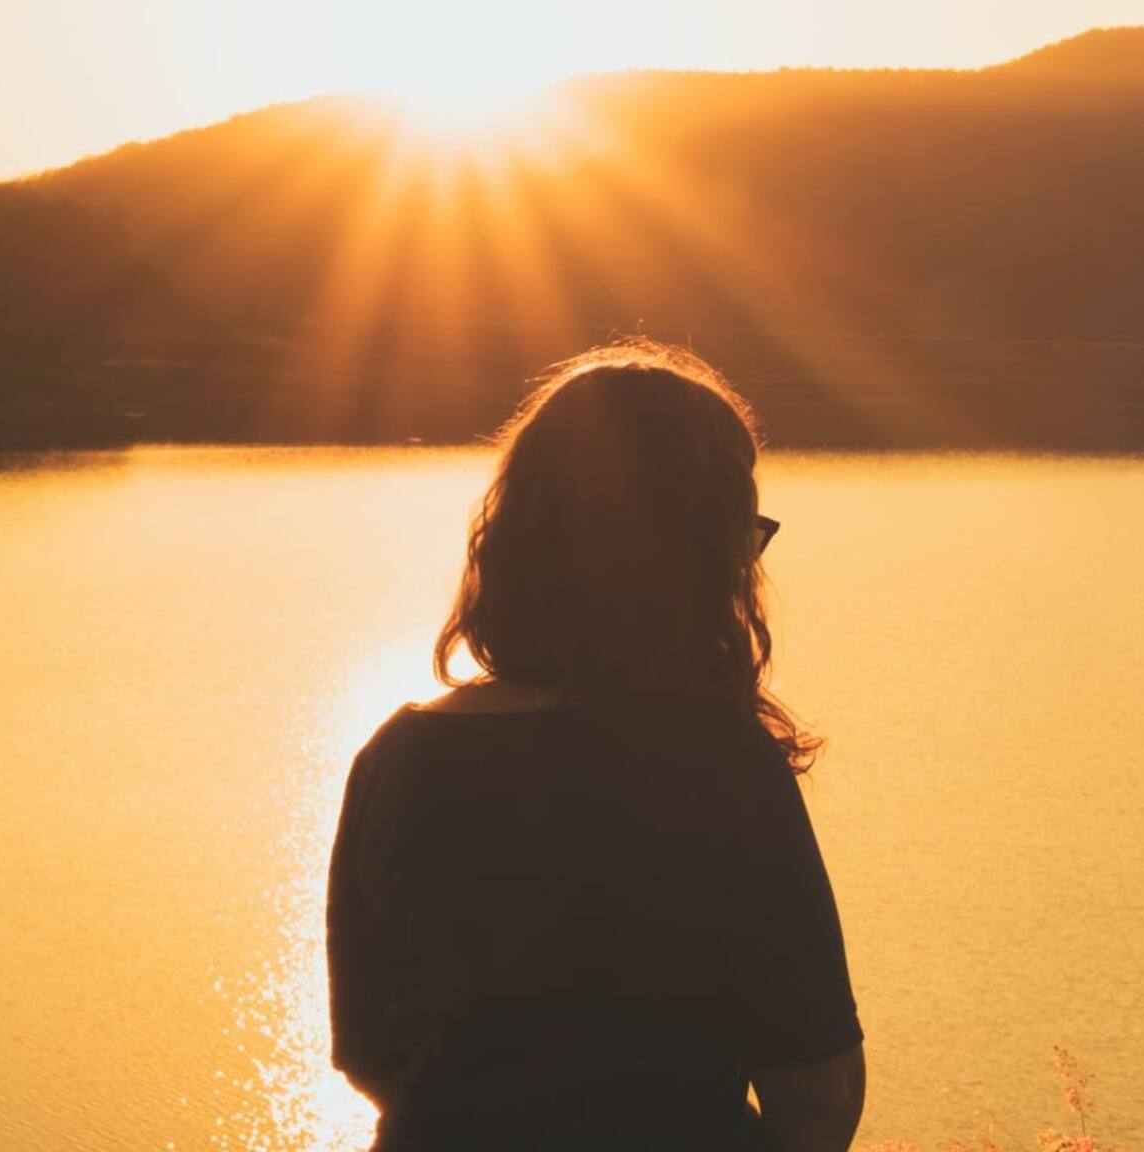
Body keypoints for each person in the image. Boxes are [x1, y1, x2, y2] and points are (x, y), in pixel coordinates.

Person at [326, 340, 865, 1151]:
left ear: (515, 539)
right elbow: (818, 1097)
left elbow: (370, 1054)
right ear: (700, 558)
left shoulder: (396, 758)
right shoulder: (720, 764)